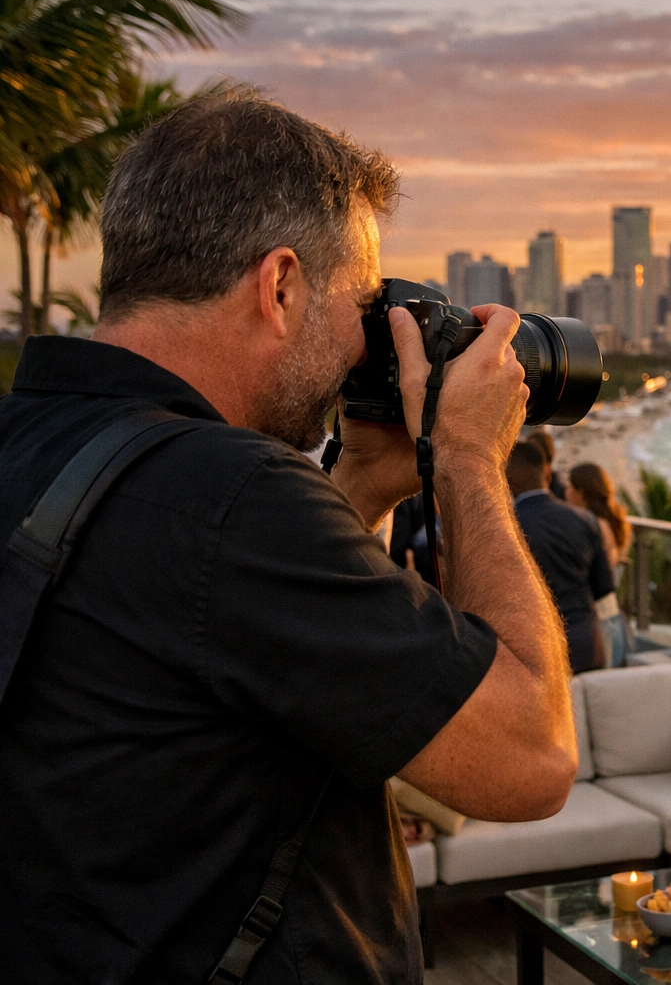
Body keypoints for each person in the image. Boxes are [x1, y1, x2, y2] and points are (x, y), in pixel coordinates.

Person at [0, 96, 578, 983]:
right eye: (363, 305)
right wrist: (468, 459)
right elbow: (531, 760)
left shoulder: (35, 444)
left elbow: (228, 645)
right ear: (279, 287)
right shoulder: (233, 497)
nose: (363, 345)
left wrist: (364, 485)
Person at [508, 441, 615, 673]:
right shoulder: (585, 520)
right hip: (586, 644)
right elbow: (604, 587)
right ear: (547, 474)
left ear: (507, 482)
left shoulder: (506, 527)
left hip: (535, 649)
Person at [568, 462, 634, 667]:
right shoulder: (612, 523)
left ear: (580, 492)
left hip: (598, 617)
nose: (566, 492)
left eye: (570, 487)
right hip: (610, 613)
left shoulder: (593, 526)